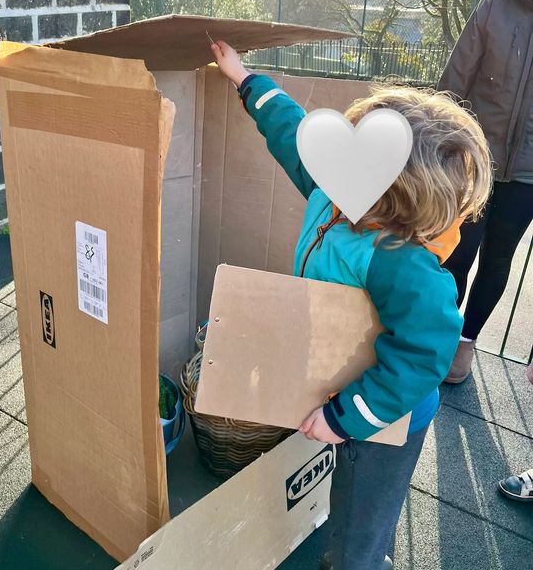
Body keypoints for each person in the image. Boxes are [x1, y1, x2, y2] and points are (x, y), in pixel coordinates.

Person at [210, 41, 492, 570]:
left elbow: (424, 354)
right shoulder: (333, 189)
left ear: (393, 196)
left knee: (361, 523)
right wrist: (245, 79)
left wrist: (345, 418)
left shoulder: (398, 260)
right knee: (341, 488)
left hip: (388, 415)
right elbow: (292, 132)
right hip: (346, 386)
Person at [438, 0, 533, 383]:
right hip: (476, 161)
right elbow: (454, 83)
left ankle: (466, 341)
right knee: (457, 252)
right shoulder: (494, 7)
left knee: (497, 259)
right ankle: (437, 335)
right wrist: (440, 144)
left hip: (528, 174)